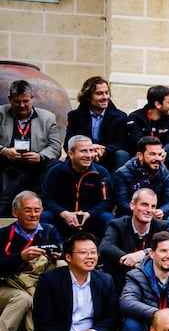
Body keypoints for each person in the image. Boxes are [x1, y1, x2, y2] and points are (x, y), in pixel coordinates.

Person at [0, 190, 62, 331]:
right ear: (15, 212)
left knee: (63, 267)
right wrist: (20, 257)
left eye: (37, 210)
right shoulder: (4, 235)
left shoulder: (49, 230)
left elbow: (61, 250)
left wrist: (56, 255)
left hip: (38, 282)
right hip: (9, 285)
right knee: (22, 299)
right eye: (28, 210)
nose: (33, 215)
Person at [0, 79, 62, 210]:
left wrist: (40, 156)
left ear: (33, 98)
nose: (21, 105)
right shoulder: (1, 114)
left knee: (55, 165)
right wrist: (3, 150)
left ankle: (36, 202)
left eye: (25, 101)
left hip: (35, 164)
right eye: (17, 102)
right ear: (10, 99)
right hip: (6, 162)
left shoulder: (47, 118)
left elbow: (55, 147)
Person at [40, 135, 115, 238]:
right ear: (71, 154)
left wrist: (89, 214)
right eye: (84, 151)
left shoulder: (101, 173)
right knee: (45, 216)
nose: (89, 155)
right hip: (63, 220)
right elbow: (47, 199)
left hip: (90, 220)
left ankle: (104, 251)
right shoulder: (56, 172)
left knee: (108, 217)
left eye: (91, 150)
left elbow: (106, 202)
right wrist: (64, 214)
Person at [101, 187, 169, 289]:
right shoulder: (118, 225)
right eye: (144, 205)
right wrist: (129, 259)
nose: (149, 210)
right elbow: (105, 246)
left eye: (153, 206)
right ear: (132, 205)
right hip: (123, 278)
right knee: (109, 263)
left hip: (153, 277)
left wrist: (145, 253)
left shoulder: (162, 226)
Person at [65, 76, 129, 172]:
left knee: (122, 154)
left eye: (107, 93)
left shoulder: (120, 117)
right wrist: (89, 149)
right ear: (88, 96)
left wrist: (105, 150)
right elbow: (68, 143)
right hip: (82, 156)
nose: (105, 97)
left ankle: (114, 186)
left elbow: (122, 143)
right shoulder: (75, 116)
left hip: (108, 158)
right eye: (99, 93)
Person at [113, 136, 169, 224]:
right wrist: (143, 212)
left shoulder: (167, 175)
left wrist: (162, 211)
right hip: (131, 215)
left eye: (159, 154)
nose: (157, 158)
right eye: (152, 154)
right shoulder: (123, 174)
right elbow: (122, 203)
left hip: (155, 216)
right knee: (124, 219)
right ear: (140, 155)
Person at [125, 85, 169, 174]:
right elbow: (136, 141)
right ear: (158, 104)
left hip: (163, 154)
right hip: (140, 154)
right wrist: (151, 154)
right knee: (123, 155)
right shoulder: (135, 118)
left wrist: (163, 152)